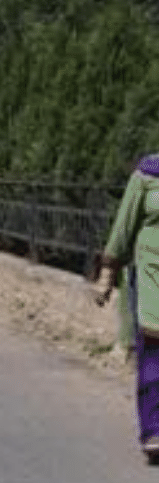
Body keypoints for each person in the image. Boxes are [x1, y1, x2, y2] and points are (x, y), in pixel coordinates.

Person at [95, 152, 159, 462]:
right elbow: (124, 225)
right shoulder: (147, 174)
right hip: (152, 277)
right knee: (153, 357)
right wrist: (108, 273)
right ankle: (154, 430)